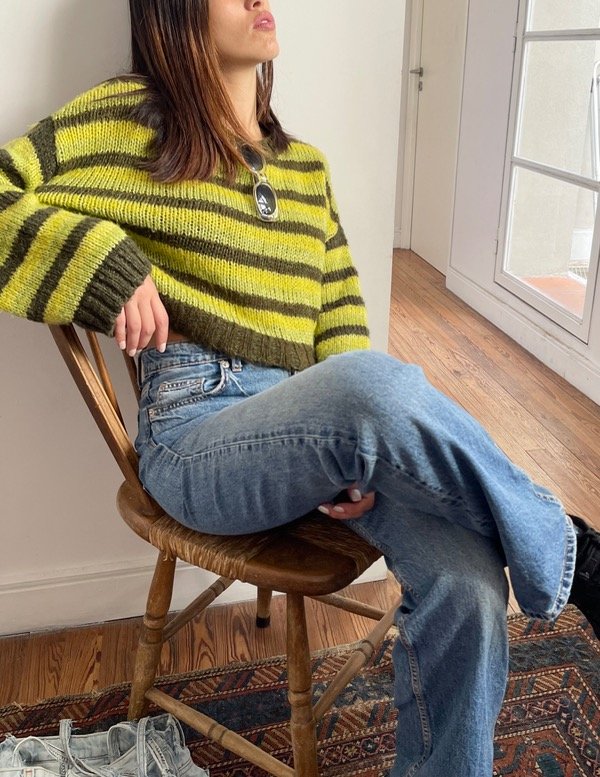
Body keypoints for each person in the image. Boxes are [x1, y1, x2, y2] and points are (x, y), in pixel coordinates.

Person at [0, 1, 598, 774]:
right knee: (369, 386)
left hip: (320, 435)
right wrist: (104, 261)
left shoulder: (305, 170)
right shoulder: (128, 122)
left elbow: (341, 317)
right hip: (195, 437)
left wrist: (360, 447)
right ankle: (574, 551)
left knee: (470, 580)